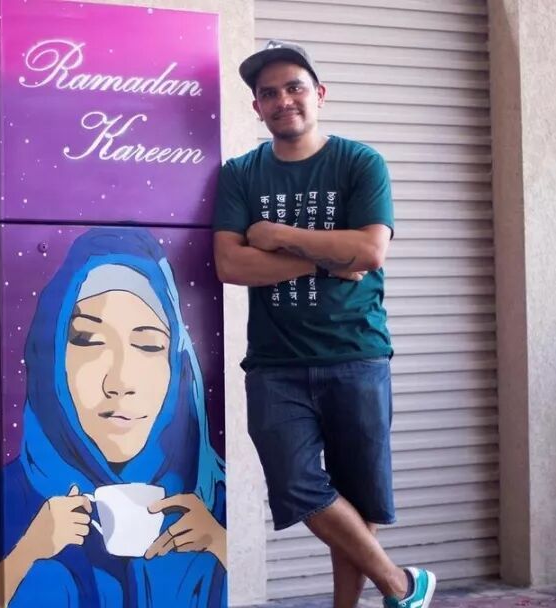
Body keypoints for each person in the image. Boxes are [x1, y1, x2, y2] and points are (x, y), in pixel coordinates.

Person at [212, 41, 436, 608]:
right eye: (269, 93)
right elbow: (231, 264)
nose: (283, 99)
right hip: (275, 364)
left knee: (357, 496)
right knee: (294, 485)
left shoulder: (360, 163)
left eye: (295, 87)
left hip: (356, 354)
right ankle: (402, 585)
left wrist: (277, 236)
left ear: (319, 94)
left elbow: (370, 251)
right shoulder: (240, 174)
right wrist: (325, 260)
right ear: (257, 108)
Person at [0, 227, 227, 608]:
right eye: (88, 341)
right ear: (51, 357)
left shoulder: (211, 494)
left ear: (178, 365)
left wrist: (217, 541)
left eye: (149, 345)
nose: (119, 382)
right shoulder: (7, 496)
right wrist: (30, 549)